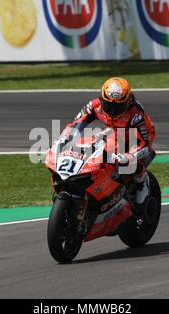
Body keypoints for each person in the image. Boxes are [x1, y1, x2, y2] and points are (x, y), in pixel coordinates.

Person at [64, 77, 156, 213]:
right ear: (102, 99)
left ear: (127, 102)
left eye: (118, 107)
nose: (112, 111)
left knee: (128, 164)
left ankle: (142, 183)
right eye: (108, 105)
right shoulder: (94, 106)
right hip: (116, 132)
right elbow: (75, 124)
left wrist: (130, 156)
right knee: (97, 151)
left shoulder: (135, 115)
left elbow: (144, 145)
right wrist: (66, 138)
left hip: (139, 136)